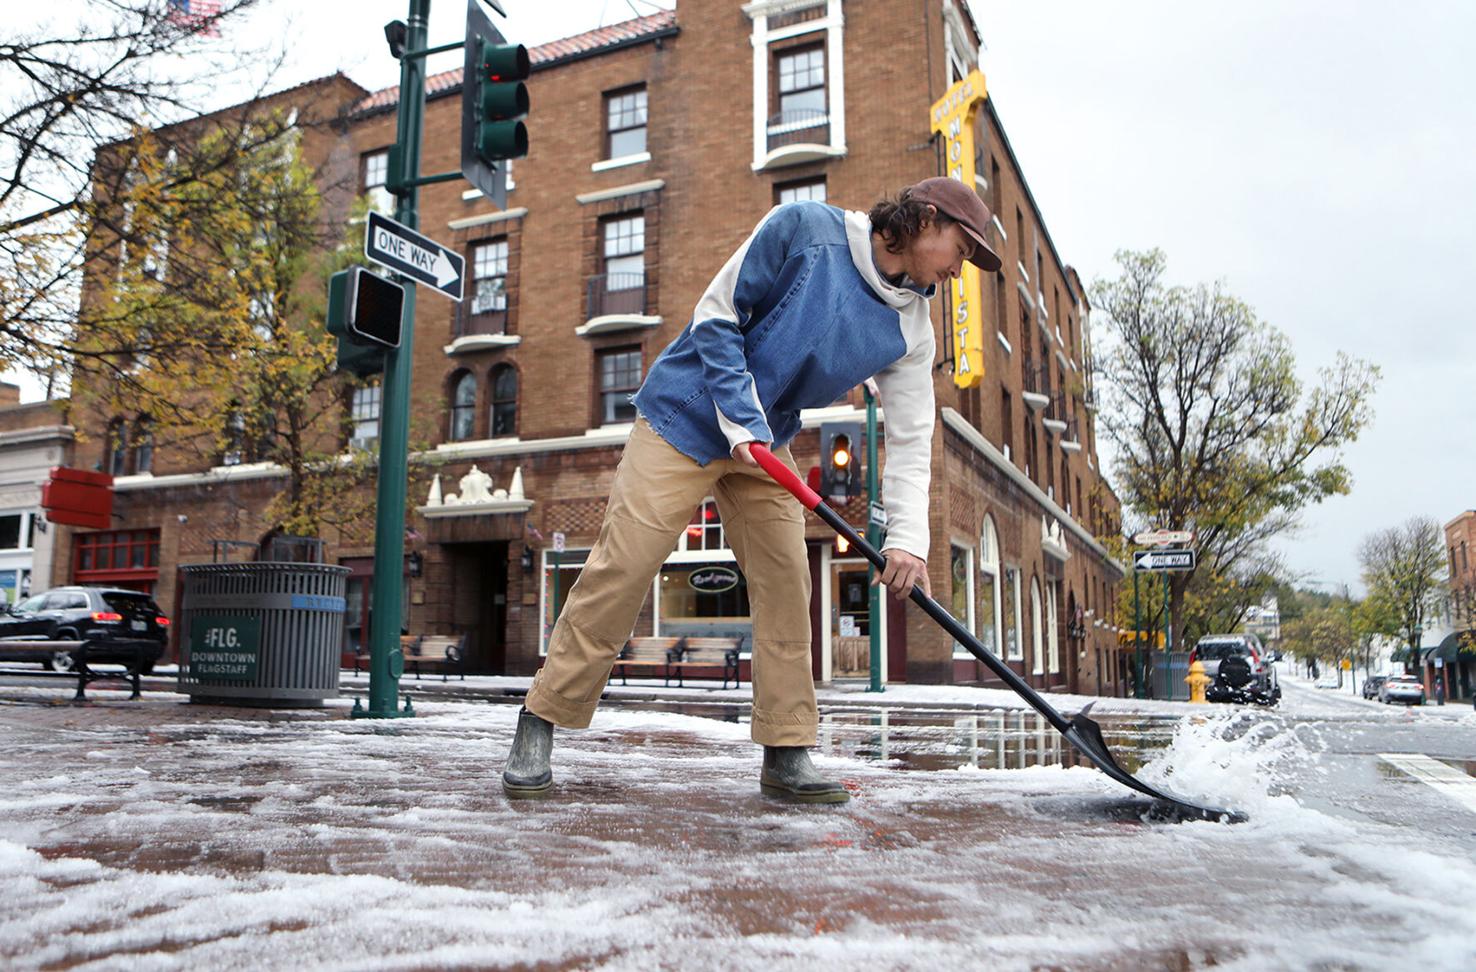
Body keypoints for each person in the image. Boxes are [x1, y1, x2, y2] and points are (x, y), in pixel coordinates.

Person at [502, 177, 1002, 803]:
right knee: (623, 566)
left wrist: (907, 540)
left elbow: (910, 435)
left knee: (788, 580)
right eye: (962, 248)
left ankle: (787, 749)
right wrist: (739, 420)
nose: (962, 268)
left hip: (765, 445)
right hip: (685, 415)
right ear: (926, 219)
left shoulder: (914, 329)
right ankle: (541, 719)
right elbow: (715, 316)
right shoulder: (804, 230)